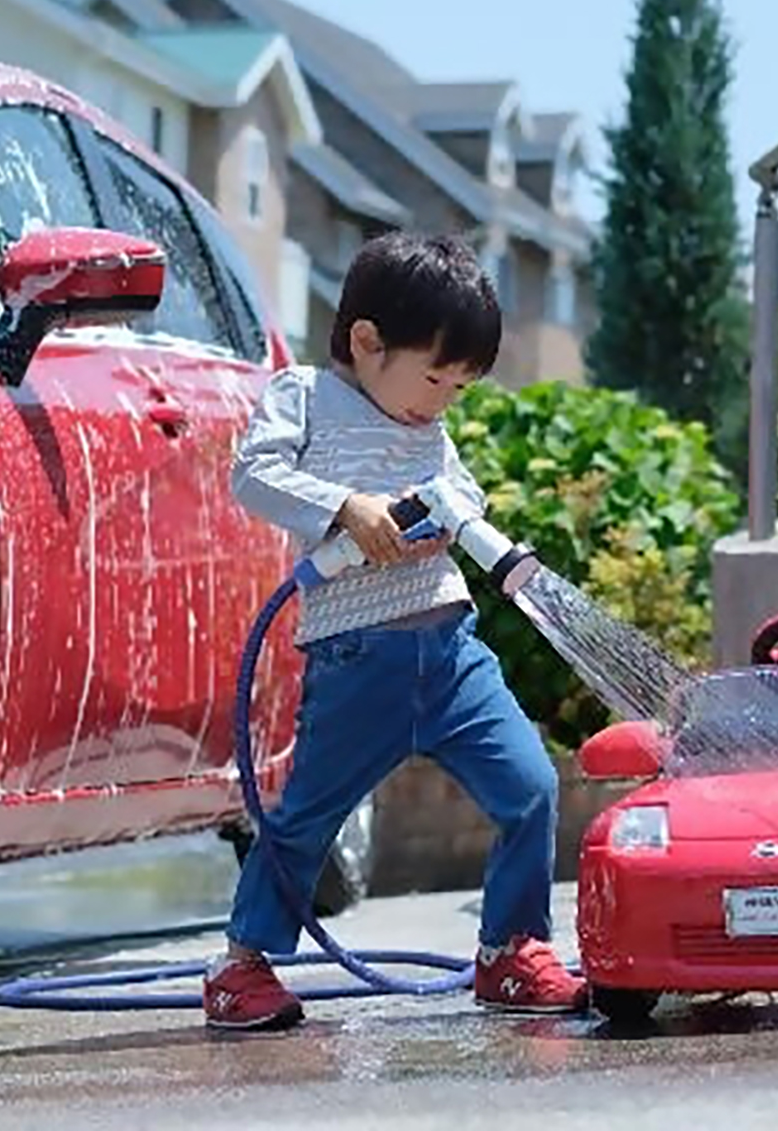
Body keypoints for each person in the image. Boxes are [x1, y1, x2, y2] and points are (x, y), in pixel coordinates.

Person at [203, 230, 587, 1031]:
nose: (441, 400)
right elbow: (255, 473)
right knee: (307, 816)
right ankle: (244, 967)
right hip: (356, 654)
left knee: (532, 788)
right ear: (368, 342)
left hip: (451, 650)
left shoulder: (428, 427)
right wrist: (346, 508)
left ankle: (510, 950)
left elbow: (462, 491)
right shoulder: (303, 395)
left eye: (460, 387)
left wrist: (456, 523)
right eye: (436, 376)